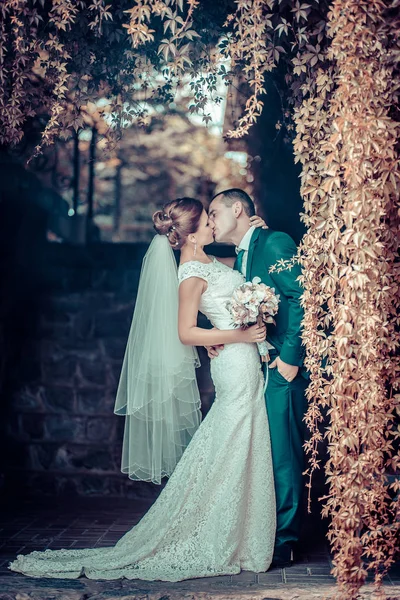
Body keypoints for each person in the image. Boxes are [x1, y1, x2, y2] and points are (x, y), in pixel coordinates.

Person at [9, 197, 276, 581]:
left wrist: (254, 234)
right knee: (230, 439)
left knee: (236, 440)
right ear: (194, 231)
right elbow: (185, 332)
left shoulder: (208, 262)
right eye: (208, 220)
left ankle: (241, 532)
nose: (214, 225)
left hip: (242, 359)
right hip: (234, 364)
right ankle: (216, 533)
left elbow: (243, 272)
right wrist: (238, 334)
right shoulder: (189, 273)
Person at [207, 189, 308, 568]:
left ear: (238, 210)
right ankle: (270, 531)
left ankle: (286, 541)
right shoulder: (243, 254)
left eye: (214, 213)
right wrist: (213, 339)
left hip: (283, 366)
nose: (212, 221)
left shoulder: (274, 242)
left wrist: (290, 359)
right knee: (270, 450)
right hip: (260, 365)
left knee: (283, 453)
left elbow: (303, 296)